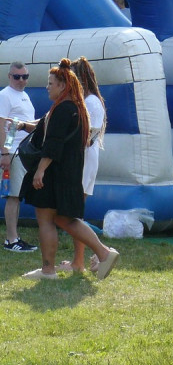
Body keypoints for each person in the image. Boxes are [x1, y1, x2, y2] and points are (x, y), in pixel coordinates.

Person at [20, 59, 119, 280]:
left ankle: (48, 270)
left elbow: (53, 143)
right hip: (70, 173)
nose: (47, 87)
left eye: (51, 83)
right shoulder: (76, 107)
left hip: (55, 173)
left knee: (46, 219)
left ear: (63, 85)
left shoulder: (64, 108)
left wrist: (40, 170)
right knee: (66, 219)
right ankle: (103, 254)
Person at [60, 57, 106, 273]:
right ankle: (80, 260)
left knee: (74, 214)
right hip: (84, 158)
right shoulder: (86, 101)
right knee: (75, 213)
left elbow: (87, 137)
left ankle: (90, 257)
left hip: (84, 159)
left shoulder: (91, 103)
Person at [0, 62, 38, 252]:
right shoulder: (5, 95)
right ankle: (11, 239)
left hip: (25, 151)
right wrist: (5, 153)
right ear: (9, 77)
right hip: (13, 151)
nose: (21, 80)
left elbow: (26, 123)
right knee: (12, 196)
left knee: (17, 196)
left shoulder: (24, 96)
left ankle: (15, 237)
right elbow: (1, 126)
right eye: (17, 77)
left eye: (25, 77)